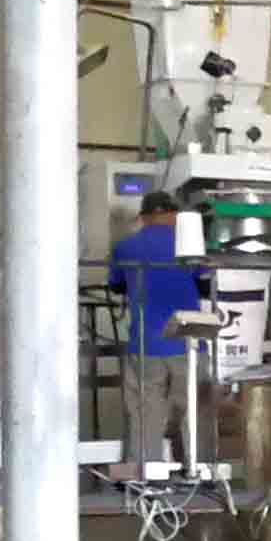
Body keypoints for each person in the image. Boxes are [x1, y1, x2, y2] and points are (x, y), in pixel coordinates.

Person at [106, 190, 204, 468]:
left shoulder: (125, 247)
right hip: (187, 341)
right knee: (192, 410)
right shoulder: (191, 245)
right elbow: (203, 281)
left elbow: (116, 285)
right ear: (174, 215)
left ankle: (146, 472)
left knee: (145, 412)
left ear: (144, 217)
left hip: (146, 343)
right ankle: (195, 469)